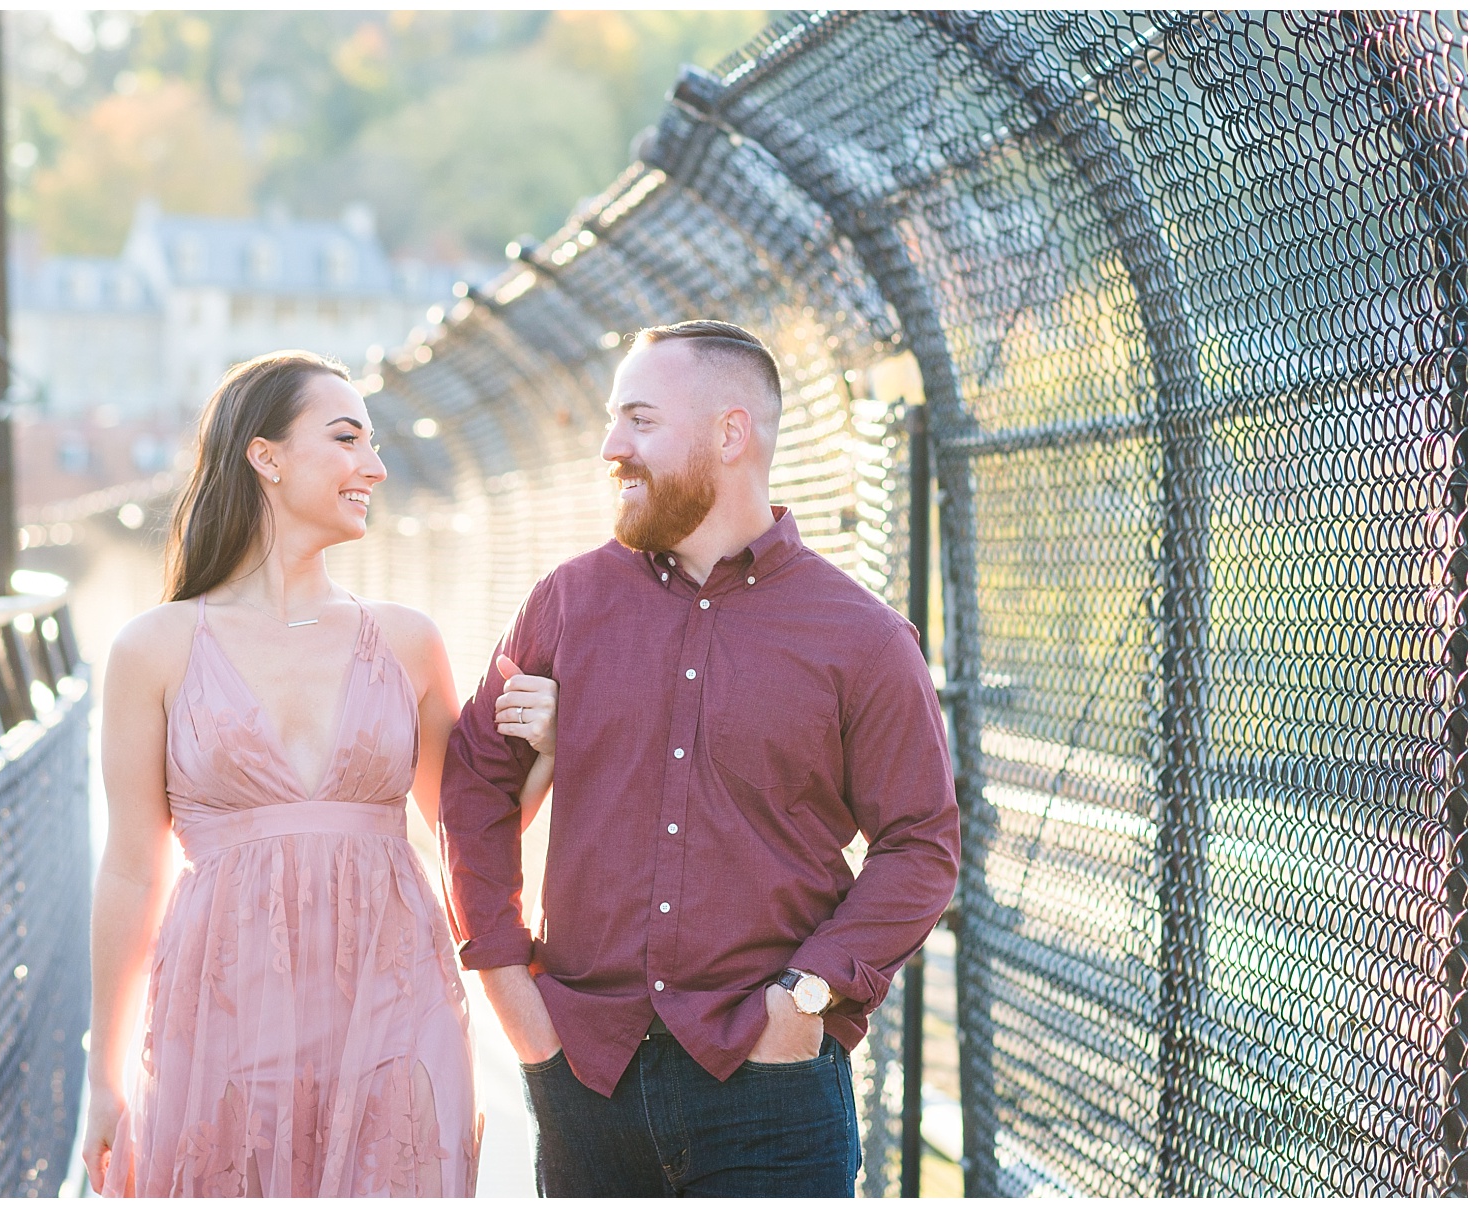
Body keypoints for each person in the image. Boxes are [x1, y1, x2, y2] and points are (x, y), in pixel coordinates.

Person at [439, 320, 960, 1197]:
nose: (611, 446)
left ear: (730, 432)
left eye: (639, 420)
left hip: (772, 1094)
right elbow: (474, 782)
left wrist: (802, 1002)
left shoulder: (862, 638)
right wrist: (508, 990)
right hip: (587, 1086)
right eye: (614, 421)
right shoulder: (568, 603)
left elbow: (922, 843)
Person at [81, 351, 561, 1197]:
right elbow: (129, 868)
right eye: (346, 439)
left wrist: (549, 752)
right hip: (221, 1006)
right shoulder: (153, 647)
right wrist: (103, 1073)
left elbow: (467, 834)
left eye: (373, 444)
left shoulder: (407, 641)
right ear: (265, 458)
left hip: (393, 997)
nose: (373, 466)